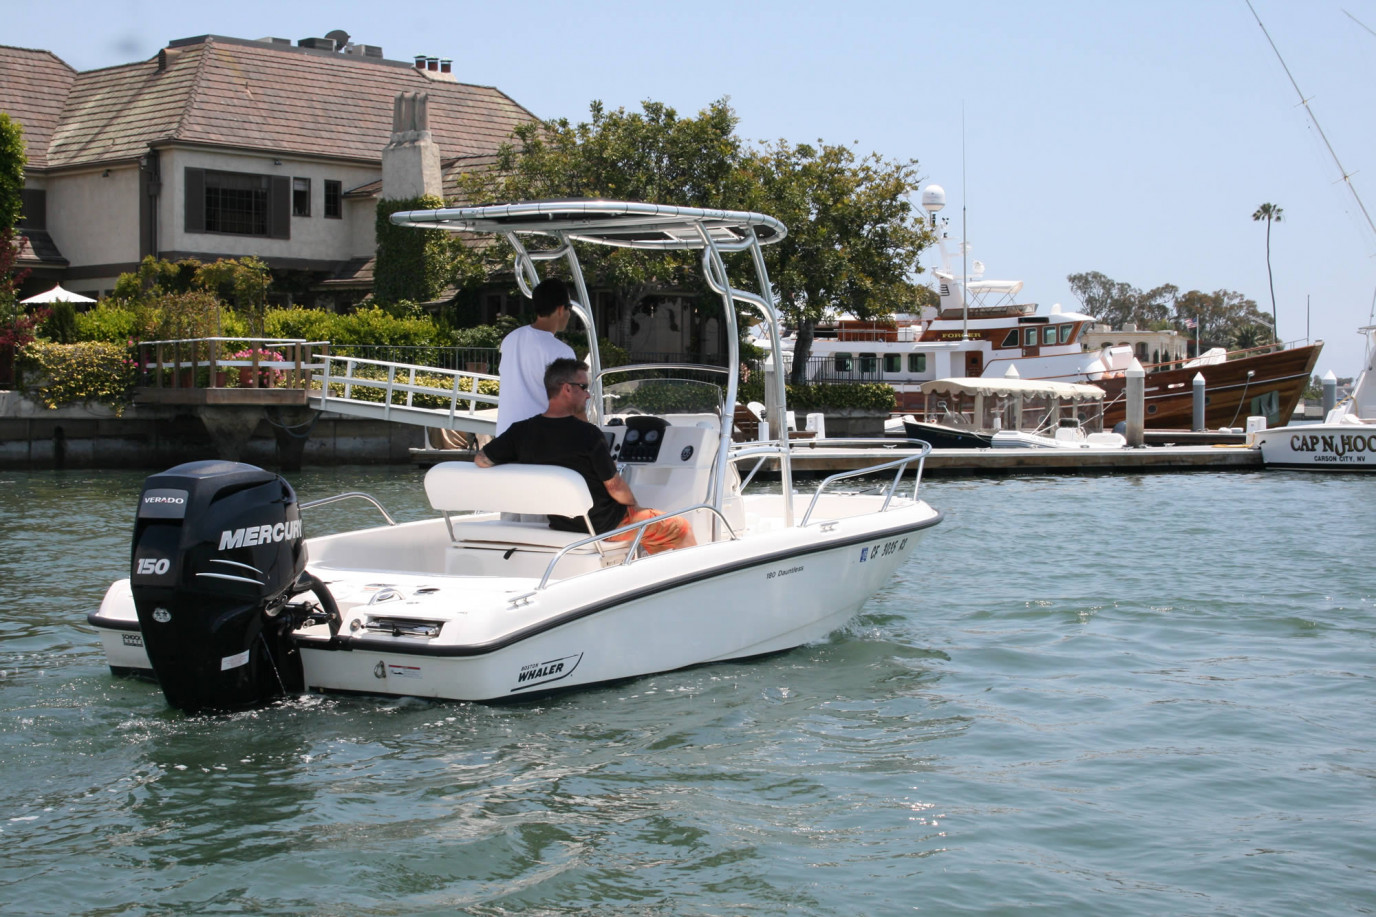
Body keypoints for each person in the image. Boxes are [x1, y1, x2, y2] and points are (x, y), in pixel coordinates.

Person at [476, 358, 696, 554]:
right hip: (607, 526)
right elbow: (616, 489)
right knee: (681, 528)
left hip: (563, 523)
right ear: (566, 389)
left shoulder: (520, 431)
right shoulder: (588, 434)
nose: (588, 394)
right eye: (583, 387)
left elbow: (482, 460)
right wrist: (635, 506)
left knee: (655, 530)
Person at [495, 277, 580, 435]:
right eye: (569, 307)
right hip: (540, 444)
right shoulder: (562, 352)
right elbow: (572, 405)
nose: (569, 314)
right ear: (561, 309)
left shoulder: (510, 339)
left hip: (504, 441)